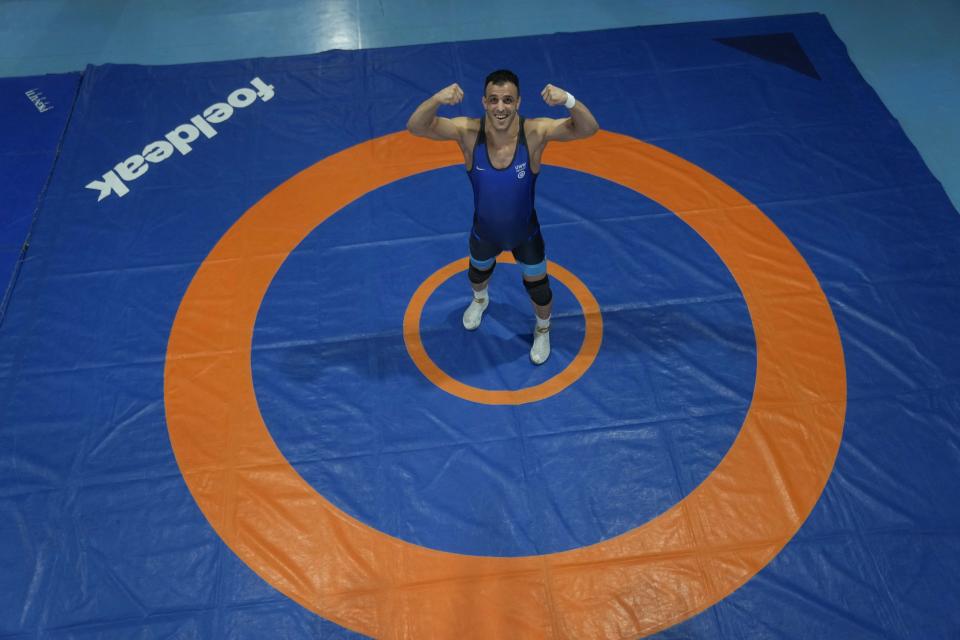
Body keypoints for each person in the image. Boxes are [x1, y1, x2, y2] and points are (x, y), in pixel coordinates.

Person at [407, 69, 599, 365]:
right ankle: (481, 300)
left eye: (507, 100)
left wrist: (569, 100)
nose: (500, 107)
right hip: (485, 232)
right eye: (494, 100)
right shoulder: (468, 132)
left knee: (539, 288)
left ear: (518, 102)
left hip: (525, 234)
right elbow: (416, 127)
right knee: (476, 274)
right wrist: (436, 99)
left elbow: (588, 129)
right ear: (484, 102)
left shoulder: (534, 133)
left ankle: (543, 328)